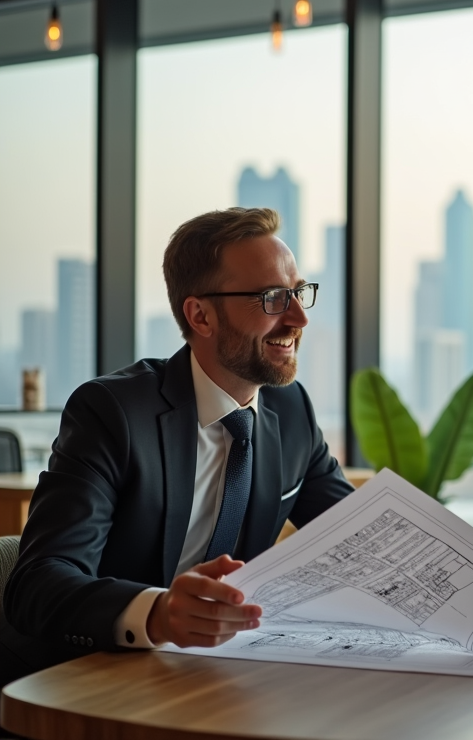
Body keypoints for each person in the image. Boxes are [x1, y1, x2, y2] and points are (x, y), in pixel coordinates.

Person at [0, 207, 354, 687]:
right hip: (82, 682)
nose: (298, 317)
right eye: (272, 298)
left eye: (297, 292)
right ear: (201, 315)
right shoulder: (113, 414)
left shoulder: (290, 411)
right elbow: (38, 585)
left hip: (214, 678)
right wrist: (159, 613)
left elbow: (360, 536)